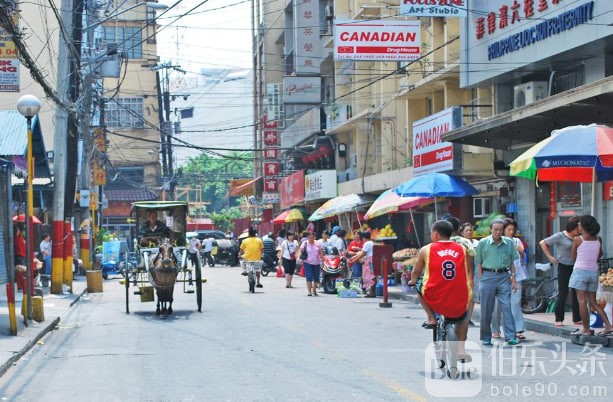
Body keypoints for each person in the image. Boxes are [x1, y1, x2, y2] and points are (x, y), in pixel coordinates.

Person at [408, 220, 472, 362]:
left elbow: (416, 271)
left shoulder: (426, 249)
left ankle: (431, 317)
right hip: (458, 295)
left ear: (435, 234)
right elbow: (466, 270)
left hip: (435, 296)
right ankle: (461, 349)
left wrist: (412, 281)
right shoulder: (462, 248)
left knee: (418, 286)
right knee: (464, 316)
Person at [475, 219, 519, 346]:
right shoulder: (483, 243)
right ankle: (486, 337)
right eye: (495, 229)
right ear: (491, 229)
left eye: (500, 229)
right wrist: (481, 278)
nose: (498, 232)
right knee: (486, 309)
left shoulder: (509, 243)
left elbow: (512, 262)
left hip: (504, 276)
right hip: (487, 276)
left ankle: (510, 336)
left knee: (507, 307)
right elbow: (478, 262)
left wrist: (513, 279)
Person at [569, 215, 613, 336]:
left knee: (582, 301)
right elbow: (599, 255)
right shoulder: (598, 239)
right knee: (593, 302)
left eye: (579, 224)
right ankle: (608, 326)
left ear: (583, 226)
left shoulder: (578, 240)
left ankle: (586, 329)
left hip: (580, 272)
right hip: (593, 272)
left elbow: (573, 256)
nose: (578, 225)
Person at [539, 216, 582, 326]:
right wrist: (550, 257)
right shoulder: (560, 236)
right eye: (578, 227)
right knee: (563, 292)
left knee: (576, 292)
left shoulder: (579, 238)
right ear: (573, 227)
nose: (579, 230)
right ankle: (559, 318)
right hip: (563, 266)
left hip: (576, 266)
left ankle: (576, 318)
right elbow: (543, 243)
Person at [490, 219, 527, 340]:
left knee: (515, 303)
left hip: (516, 276)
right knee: (497, 305)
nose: (511, 232)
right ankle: (495, 329)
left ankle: (518, 329)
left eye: (513, 230)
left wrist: (521, 252)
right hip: (498, 277)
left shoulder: (517, 241)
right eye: (508, 230)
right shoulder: (494, 242)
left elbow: (522, 260)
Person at [460, 222, 480, 327]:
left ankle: (468, 318)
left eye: (470, 230)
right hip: (462, 273)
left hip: (476, 272)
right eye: (466, 230)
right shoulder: (459, 244)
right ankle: (461, 317)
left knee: (472, 297)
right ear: (462, 233)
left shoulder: (477, 243)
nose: (469, 232)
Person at [348, 231, 375, 295]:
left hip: (368, 261)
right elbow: (361, 252)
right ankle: (371, 292)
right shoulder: (371, 242)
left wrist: (354, 259)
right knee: (371, 276)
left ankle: (370, 292)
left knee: (368, 277)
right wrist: (354, 258)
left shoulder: (366, 243)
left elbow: (363, 253)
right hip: (371, 261)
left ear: (363, 238)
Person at [297, 231, 323, 296]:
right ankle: (309, 291)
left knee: (316, 278)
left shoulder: (318, 243)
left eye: (312, 237)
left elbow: (321, 252)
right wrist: (299, 258)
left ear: (314, 237)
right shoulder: (305, 243)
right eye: (309, 237)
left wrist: (322, 260)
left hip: (316, 263)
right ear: (307, 237)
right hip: (307, 262)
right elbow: (300, 251)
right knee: (309, 276)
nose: (311, 238)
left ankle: (314, 290)